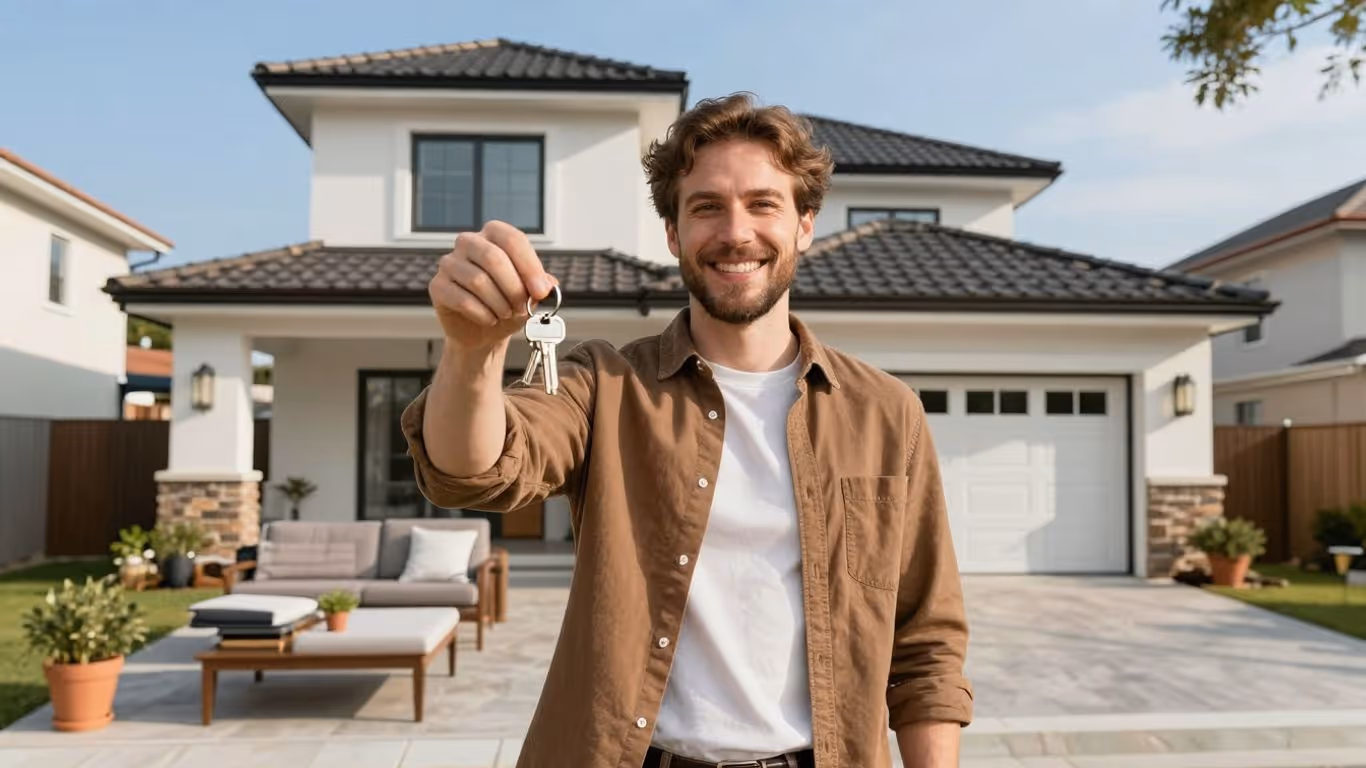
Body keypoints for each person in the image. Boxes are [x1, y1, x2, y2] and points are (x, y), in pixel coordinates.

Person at [401, 92, 972, 768]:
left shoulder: (886, 412)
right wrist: (473, 351)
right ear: (672, 233)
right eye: (706, 206)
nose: (736, 232)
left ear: (805, 226)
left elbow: (926, 642)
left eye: (764, 204)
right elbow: (475, 470)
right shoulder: (601, 384)